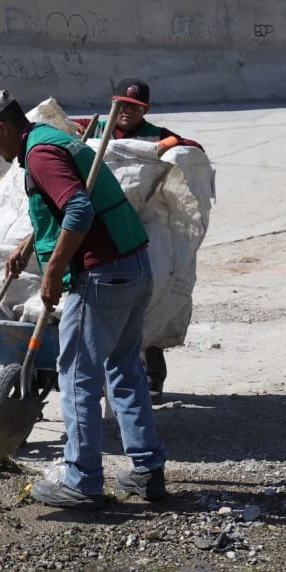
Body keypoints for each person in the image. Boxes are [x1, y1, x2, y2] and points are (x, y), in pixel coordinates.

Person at [0, 88, 169, 509]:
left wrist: (53, 271)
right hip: (133, 265)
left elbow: (78, 210)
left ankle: (82, 480)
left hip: (101, 276)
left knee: (76, 377)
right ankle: (147, 472)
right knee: (124, 370)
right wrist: (28, 244)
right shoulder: (54, 140)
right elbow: (66, 208)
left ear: (1, 127)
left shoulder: (40, 155)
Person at [78, 77, 204, 403]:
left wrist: (170, 145)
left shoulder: (156, 136)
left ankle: (152, 373)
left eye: (135, 108)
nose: (127, 112)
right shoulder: (95, 131)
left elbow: (193, 150)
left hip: (143, 225)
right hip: (100, 224)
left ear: (144, 110)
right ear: (113, 103)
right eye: (122, 105)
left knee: (153, 290)